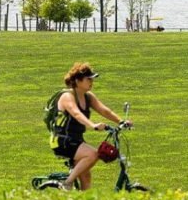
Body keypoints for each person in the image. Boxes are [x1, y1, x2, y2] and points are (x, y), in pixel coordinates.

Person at [50, 62, 131, 191]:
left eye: (92, 79)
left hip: (76, 140)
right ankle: (67, 183)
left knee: (86, 177)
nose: (91, 82)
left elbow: (104, 111)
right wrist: (92, 125)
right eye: (88, 79)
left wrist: (121, 121)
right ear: (77, 81)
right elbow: (76, 113)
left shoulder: (88, 96)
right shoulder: (67, 96)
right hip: (62, 140)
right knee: (93, 154)